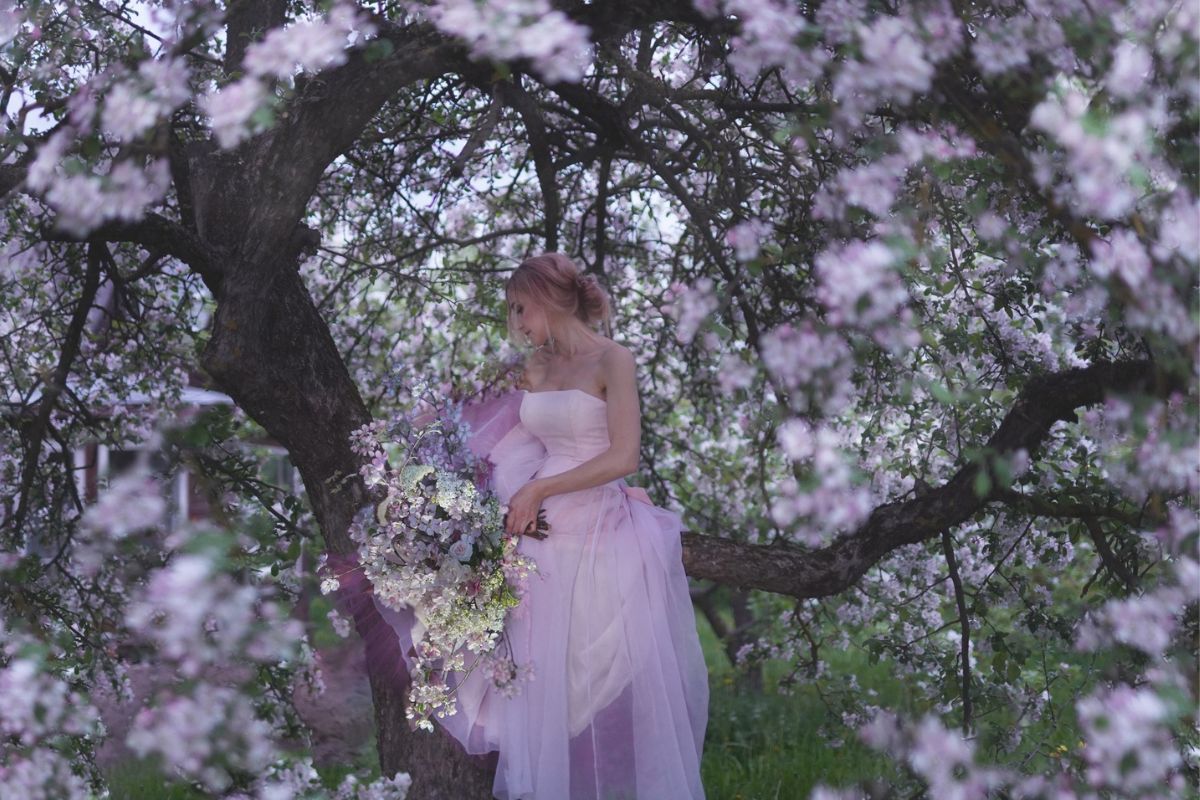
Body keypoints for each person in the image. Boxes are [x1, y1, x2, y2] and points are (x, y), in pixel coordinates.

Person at [336, 252, 710, 799]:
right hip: (528, 520)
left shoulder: (614, 360)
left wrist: (540, 489)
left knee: (579, 659)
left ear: (548, 298)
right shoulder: (533, 366)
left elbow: (624, 454)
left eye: (520, 307)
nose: (516, 322)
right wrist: (405, 445)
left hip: (587, 509)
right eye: (511, 311)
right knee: (518, 653)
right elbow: (467, 410)